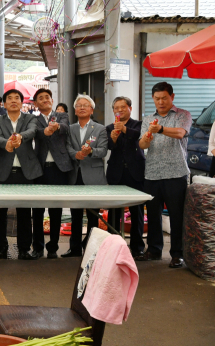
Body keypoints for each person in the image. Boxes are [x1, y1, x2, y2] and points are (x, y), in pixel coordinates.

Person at [138, 82, 192, 269]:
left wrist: (160, 129)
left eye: (164, 98)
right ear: (153, 99)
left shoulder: (183, 115)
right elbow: (143, 146)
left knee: (177, 215)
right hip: (152, 172)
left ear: (172, 97)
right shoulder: (148, 119)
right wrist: (146, 138)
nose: (160, 102)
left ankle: (177, 254)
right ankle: (153, 250)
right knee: (153, 215)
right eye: (157, 98)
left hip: (176, 172)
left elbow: (180, 133)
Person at [0, 89, 42, 260]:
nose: (13, 101)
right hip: (3, 170)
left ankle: (23, 249)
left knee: (24, 212)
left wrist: (20, 136)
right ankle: (1, 247)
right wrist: (7, 143)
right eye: (10, 99)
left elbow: (32, 131)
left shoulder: (30, 118)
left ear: (22, 102)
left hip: (25, 171)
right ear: (4, 104)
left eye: (17, 98)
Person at [65, 95, 108, 257]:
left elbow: (103, 151)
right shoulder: (70, 128)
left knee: (93, 217)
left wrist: (90, 152)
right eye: (79, 105)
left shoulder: (100, 129)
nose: (82, 108)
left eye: (85, 105)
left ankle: (91, 250)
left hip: (93, 177)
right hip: (75, 176)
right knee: (75, 215)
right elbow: (67, 147)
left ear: (91, 109)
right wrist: (75, 154)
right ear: (75, 110)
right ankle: (74, 248)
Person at [32, 88, 72, 259]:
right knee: (38, 210)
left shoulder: (61, 115)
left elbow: (66, 128)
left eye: (47, 97)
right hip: (40, 168)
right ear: (35, 103)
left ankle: (53, 247)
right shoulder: (33, 119)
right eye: (40, 98)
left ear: (52, 100)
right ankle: (38, 248)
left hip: (58, 168)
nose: (45, 100)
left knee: (56, 209)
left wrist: (55, 127)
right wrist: (44, 131)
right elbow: (35, 132)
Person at [106, 96, 146, 258]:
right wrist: (113, 138)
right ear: (113, 110)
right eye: (116, 108)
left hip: (135, 172)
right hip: (116, 172)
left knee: (137, 210)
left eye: (123, 107)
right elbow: (108, 146)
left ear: (130, 108)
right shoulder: (109, 127)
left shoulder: (139, 124)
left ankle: (137, 247)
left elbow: (137, 136)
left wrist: (123, 129)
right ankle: (113, 246)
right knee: (114, 210)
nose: (119, 110)